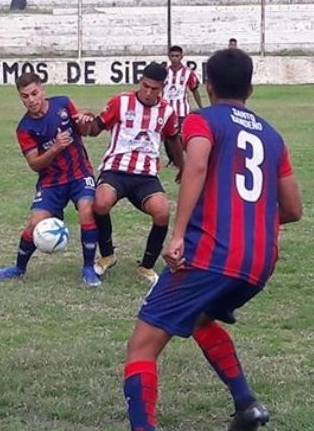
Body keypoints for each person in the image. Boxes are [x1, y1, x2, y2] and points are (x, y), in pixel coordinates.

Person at [121, 49, 303, 431]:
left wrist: (179, 233)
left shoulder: (201, 120)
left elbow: (198, 164)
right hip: (258, 261)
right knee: (201, 319)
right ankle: (247, 405)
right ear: (251, 89)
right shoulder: (272, 136)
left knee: (141, 346)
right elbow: (293, 208)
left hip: (211, 254)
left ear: (208, 85)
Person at [0, 72, 101, 287]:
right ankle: (19, 268)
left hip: (80, 173)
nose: (31, 100)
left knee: (87, 209)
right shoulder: (25, 128)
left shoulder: (63, 103)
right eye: (25, 96)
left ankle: (88, 268)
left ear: (42, 90)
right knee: (34, 224)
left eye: (34, 93)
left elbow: (84, 131)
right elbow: (34, 164)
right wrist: (55, 148)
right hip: (51, 182)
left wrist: (86, 121)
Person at [81, 62, 184, 284]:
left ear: (162, 88)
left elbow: (173, 139)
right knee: (100, 203)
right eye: (145, 86)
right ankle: (107, 255)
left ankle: (146, 266)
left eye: (154, 89)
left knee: (163, 212)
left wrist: (182, 167)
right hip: (116, 170)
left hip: (145, 176)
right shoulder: (121, 101)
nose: (148, 92)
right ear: (140, 81)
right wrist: (87, 124)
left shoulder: (167, 111)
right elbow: (96, 129)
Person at [163, 45, 203, 166]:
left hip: (181, 111)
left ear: (182, 56)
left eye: (177, 56)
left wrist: (200, 107)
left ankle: (181, 159)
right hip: (166, 110)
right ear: (168, 56)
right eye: (172, 56)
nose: (175, 58)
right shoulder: (163, 72)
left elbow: (194, 90)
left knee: (180, 136)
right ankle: (172, 159)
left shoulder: (188, 73)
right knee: (166, 136)